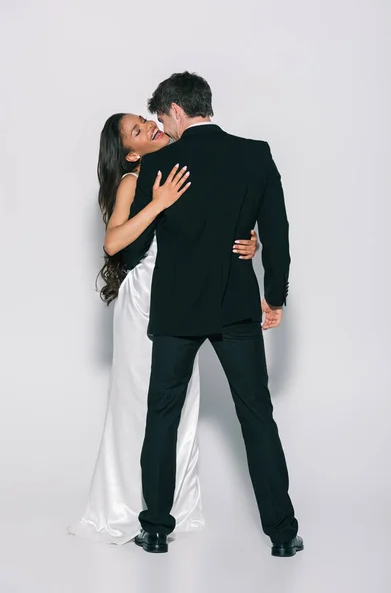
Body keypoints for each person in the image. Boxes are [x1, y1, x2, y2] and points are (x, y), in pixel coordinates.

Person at [124, 72, 303, 557]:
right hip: (235, 304)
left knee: (161, 417)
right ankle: (283, 535)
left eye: (163, 118)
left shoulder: (161, 163)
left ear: (177, 111)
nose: (163, 127)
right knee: (257, 418)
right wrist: (275, 295)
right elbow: (278, 233)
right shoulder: (255, 154)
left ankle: (156, 529)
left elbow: (135, 245)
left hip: (177, 309)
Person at [68, 113, 258, 544]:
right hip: (145, 304)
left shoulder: (181, 166)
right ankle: (131, 508)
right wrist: (158, 203)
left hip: (185, 299)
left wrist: (252, 240)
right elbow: (112, 242)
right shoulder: (135, 182)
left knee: (177, 405)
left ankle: (168, 508)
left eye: (145, 120)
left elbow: (218, 222)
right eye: (138, 132)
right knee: (143, 405)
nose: (151, 127)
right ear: (132, 153)